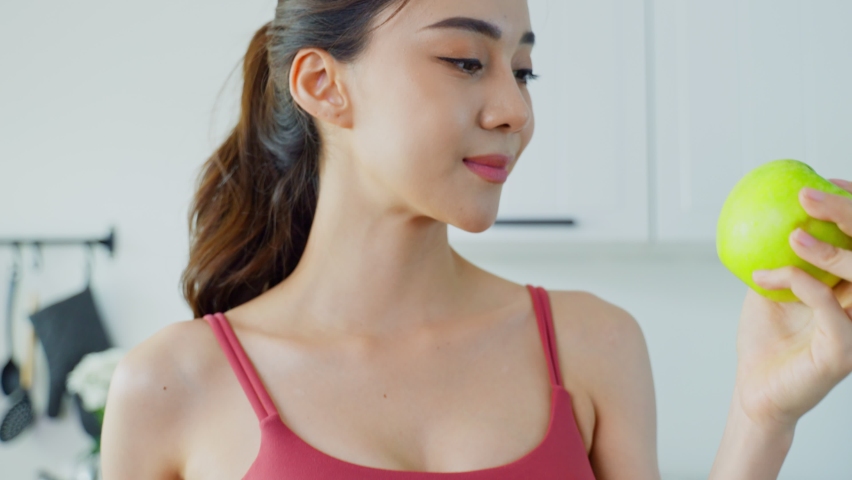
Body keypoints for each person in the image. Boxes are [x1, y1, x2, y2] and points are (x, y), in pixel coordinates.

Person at [99, 1, 852, 478]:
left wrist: (763, 419)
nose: (513, 109)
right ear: (324, 85)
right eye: (466, 61)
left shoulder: (593, 345)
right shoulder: (171, 388)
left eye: (524, 70)